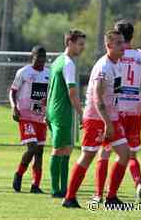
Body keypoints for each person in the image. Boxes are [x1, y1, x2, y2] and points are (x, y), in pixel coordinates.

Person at [63, 30, 129, 208]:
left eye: (123, 42)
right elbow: (97, 99)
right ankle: (69, 197)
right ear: (108, 46)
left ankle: (111, 197)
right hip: (96, 118)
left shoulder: (118, 64)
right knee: (87, 156)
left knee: (125, 153)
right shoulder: (103, 67)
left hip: (111, 117)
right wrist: (107, 123)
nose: (123, 46)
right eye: (118, 43)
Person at [107, 20, 141, 202]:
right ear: (132, 36)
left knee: (107, 152)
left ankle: (102, 192)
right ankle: (138, 184)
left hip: (116, 108)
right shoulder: (138, 56)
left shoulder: (114, 55)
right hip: (135, 108)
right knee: (132, 153)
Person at [46, 30, 85, 198]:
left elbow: (50, 89)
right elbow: (72, 92)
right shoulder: (68, 63)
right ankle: (56, 190)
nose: (82, 48)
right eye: (80, 44)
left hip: (54, 110)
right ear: (69, 43)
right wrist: (81, 113)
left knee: (66, 149)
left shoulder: (57, 61)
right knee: (59, 149)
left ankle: (63, 189)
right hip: (63, 112)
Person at [10, 45, 50, 194]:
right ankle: (19, 174)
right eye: (38, 57)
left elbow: (50, 95)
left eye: (43, 57)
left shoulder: (49, 74)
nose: (40, 60)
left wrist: (48, 105)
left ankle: (35, 185)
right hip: (25, 115)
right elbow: (12, 92)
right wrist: (14, 107)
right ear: (31, 57)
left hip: (41, 117)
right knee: (32, 147)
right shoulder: (24, 72)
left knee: (39, 151)